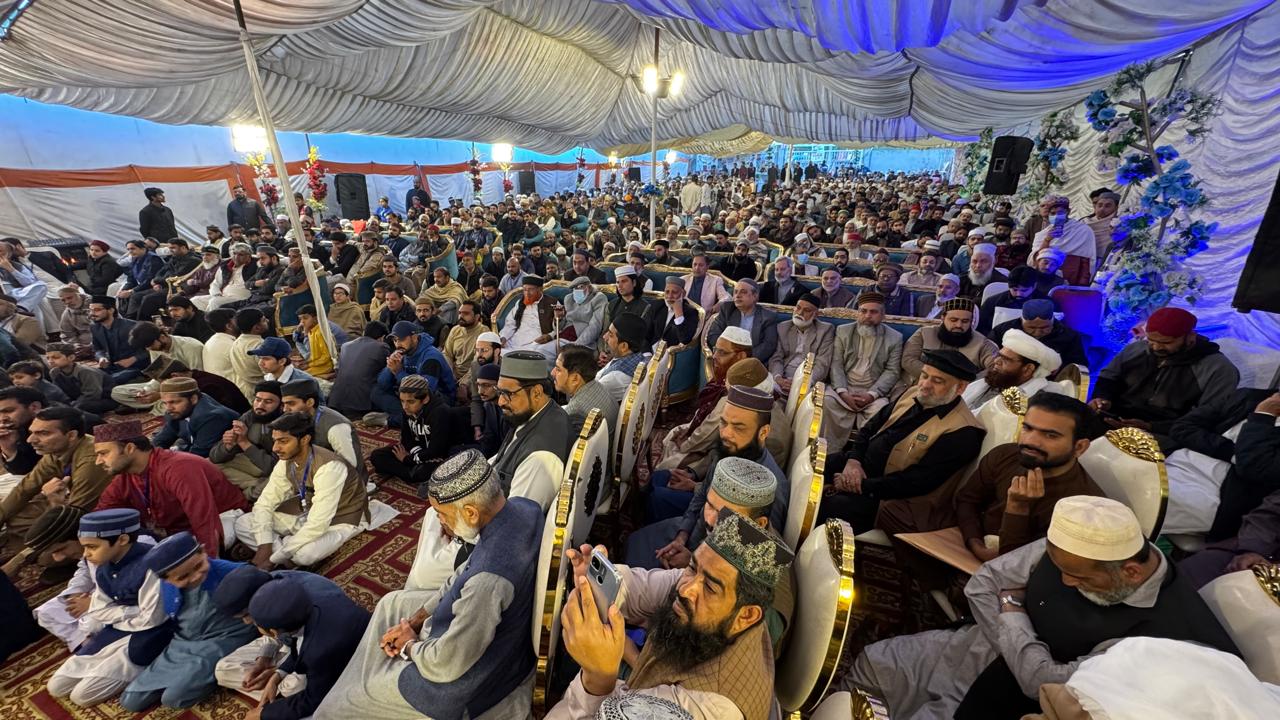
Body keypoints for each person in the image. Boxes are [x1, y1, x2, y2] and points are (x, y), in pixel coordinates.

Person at [841, 496, 1239, 720]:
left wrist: (1013, 608)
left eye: (1081, 579)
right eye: (1060, 569)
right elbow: (984, 584)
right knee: (873, 664)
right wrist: (1021, 641)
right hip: (978, 645)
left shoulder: (1158, 637)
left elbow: (1041, 682)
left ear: (1132, 572)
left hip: (1015, 699)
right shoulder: (1082, 546)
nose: (1065, 582)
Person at [315, 450, 544, 720]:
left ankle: (360, 691)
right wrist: (417, 619)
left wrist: (409, 646)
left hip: (467, 686)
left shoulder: (489, 580)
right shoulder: (523, 507)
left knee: (341, 705)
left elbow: (448, 664)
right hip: (489, 634)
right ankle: (370, 680)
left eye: (441, 514)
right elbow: (463, 572)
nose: (440, 521)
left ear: (470, 513)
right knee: (392, 603)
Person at [550, 511, 794, 719]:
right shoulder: (712, 591)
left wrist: (598, 677)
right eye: (692, 568)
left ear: (747, 616)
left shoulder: (714, 708)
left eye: (709, 587)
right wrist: (601, 583)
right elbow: (642, 588)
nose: (687, 589)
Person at [820, 349, 986, 534]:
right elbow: (869, 428)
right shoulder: (913, 393)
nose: (925, 385)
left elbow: (915, 482)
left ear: (961, 388)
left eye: (937, 381)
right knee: (814, 466)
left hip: (892, 499)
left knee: (830, 507)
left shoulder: (963, 431)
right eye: (924, 375)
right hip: (861, 468)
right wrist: (854, 462)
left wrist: (858, 485)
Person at [636, 385, 789, 559]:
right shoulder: (731, 451)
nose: (726, 434)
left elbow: (754, 557)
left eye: (738, 428)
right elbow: (701, 495)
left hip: (708, 565)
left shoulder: (772, 490)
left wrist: (693, 561)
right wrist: (682, 535)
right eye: (723, 423)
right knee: (634, 542)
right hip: (691, 532)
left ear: (763, 432)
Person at [118, 532, 259, 712]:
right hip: (183, 642)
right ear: (166, 579)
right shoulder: (165, 584)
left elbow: (265, 588)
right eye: (182, 577)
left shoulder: (233, 572)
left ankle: (209, 677)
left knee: (173, 698)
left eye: (198, 565)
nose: (194, 577)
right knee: (130, 701)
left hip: (224, 638)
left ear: (202, 551)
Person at [955, 393, 1102, 561]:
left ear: (1079, 447)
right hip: (965, 547)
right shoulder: (1005, 454)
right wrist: (975, 543)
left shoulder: (1084, 507)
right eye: (1027, 428)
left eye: (1050, 435)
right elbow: (967, 500)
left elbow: (1020, 563)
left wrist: (1018, 508)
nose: (1031, 441)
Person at [213, 570, 371, 720]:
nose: (247, 622)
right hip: (304, 640)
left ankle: (283, 699)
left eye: (247, 615)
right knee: (223, 668)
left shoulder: (309, 596)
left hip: (331, 653)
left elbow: (313, 694)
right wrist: (275, 672)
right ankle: (281, 692)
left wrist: (264, 714)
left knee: (295, 688)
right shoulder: (283, 592)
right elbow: (294, 641)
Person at [92, 419, 249, 555]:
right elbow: (101, 515)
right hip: (176, 532)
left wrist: (208, 563)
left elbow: (203, 518)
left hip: (224, 519)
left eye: (104, 453)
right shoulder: (126, 477)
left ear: (129, 448)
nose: (98, 461)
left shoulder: (178, 468)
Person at [235, 412, 370, 570]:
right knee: (243, 523)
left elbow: (318, 525)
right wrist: (264, 547)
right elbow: (265, 502)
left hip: (340, 520)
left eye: (283, 441)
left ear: (305, 440)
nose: (275, 448)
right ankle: (284, 554)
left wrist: (272, 559)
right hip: (307, 513)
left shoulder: (330, 467)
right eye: (275, 441)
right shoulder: (286, 460)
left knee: (304, 555)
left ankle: (283, 553)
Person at [1091, 307, 1239, 439]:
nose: (1155, 347)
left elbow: (1209, 416)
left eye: (1166, 343)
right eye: (1151, 340)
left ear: (1190, 337)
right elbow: (1109, 377)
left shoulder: (1218, 369)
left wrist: (1150, 427)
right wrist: (1102, 399)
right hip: (1114, 417)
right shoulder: (1137, 349)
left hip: (1167, 432)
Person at [0, 407, 111, 569]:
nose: (31, 440)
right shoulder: (56, 452)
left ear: (71, 435)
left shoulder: (91, 461)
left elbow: (74, 516)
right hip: (68, 504)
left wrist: (18, 561)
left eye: (43, 434)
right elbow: (24, 489)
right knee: (16, 516)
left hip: (93, 515)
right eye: (32, 432)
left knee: (48, 558)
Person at [823, 292, 903, 449]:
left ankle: (859, 455)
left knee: (881, 411)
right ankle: (828, 452)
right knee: (826, 402)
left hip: (873, 390)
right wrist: (843, 392)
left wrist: (871, 395)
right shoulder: (843, 331)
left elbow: (892, 371)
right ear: (857, 313)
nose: (867, 316)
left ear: (883, 315)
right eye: (863, 311)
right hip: (844, 387)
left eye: (874, 312)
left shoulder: (895, 338)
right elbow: (836, 364)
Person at [279, 378, 369, 489]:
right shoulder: (297, 418)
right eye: (284, 404)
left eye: (291, 404)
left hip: (340, 480)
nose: (285, 410)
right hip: (312, 470)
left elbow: (349, 464)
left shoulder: (335, 426)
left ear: (310, 402)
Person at [369, 375, 453, 489]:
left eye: (410, 402)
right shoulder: (408, 409)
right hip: (416, 453)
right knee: (377, 456)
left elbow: (436, 450)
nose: (405, 406)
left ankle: (410, 473)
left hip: (436, 456)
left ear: (425, 399)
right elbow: (406, 438)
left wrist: (407, 459)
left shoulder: (440, 412)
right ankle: (410, 472)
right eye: (402, 401)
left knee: (424, 472)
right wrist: (413, 454)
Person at [371, 321, 456, 426]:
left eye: (401, 339)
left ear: (414, 337)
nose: (397, 344)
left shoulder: (431, 356)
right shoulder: (403, 352)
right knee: (376, 391)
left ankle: (393, 420)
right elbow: (382, 383)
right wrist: (390, 368)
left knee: (423, 405)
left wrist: (398, 372)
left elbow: (425, 390)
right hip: (411, 397)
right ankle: (407, 416)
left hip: (437, 397)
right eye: (395, 340)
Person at [901, 297, 998, 386]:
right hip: (919, 385)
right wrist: (937, 377)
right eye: (953, 320)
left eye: (965, 321)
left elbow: (995, 366)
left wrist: (967, 382)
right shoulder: (924, 333)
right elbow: (908, 360)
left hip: (959, 391)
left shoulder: (981, 342)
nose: (959, 325)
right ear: (943, 318)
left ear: (971, 321)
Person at [210, 380, 283, 500]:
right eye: (258, 400)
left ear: (281, 406)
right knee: (207, 465)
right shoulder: (249, 416)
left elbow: (273, 467)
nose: (260, 406)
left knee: (271, 486)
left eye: (268, 402)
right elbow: (215, 457)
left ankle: (252, 491)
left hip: (273, 469)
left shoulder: (284, 425)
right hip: (253, 467)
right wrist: (228, 445)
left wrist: (244, 443)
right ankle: (255, 486)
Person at [962, 330, 1065, 408]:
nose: (996, 361)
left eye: (1005, 359)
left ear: (1028, 369)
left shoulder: (1033, 404)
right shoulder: (995, 379)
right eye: (999, 356)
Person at [151, 376, 239, 458]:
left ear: (193, 399)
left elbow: (199, 455)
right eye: (165, 403)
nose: (168, 408)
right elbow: (161, 440)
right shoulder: (176, 412)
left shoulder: (212, 417)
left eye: (174, 402)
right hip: (194, 447)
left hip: (226, 457)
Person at [989, 298, 1090, 369]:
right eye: (1031, 327)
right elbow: (989, 353)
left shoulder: (1069, 337)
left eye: (1045, 328)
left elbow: (1078, 365)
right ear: (1021, 320)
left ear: (1053, 321)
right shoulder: (1003, 330)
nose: (1038, 332)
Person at [768, 292, 834, 391]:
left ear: (815, 315)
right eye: (798, 308)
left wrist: (804, 382)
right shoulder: (783, 327)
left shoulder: (825, 330)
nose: (799, 313)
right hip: (783, 377)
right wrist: (778, 378)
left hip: (809, 380)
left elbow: (822, 363)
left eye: (806, 310)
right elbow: (776, 358)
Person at [705, 279, 779, 364]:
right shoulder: (727, 309)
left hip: (752, 363)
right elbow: (713, 334)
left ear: (755, 296)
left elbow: (768, 345)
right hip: (726, 360)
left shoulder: (768, 317)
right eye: (735, 292)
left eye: (743, 292)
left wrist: (743, 360)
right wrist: (728, 355)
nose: (738, 295)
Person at [556, 343, 619, 440]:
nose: (552, 373)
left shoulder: (575, 412)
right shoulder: (599, 386)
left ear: (575, 379)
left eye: (558, 369)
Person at [1030, 195, 1096, 286]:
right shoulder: (1041, 234)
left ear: (1068, 212)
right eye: (1053, 213)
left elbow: (1087, 262)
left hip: (1071, 279)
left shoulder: (1083, 230)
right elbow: (1035, 260)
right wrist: (1047, 240)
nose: (1056, 216)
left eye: (1060, 213)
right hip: (1043, 278)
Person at [328, 322, 391, 418]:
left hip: (336, 400)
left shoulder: (345, 346)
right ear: (382, 337)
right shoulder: (381, 347)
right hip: (361, 405)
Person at [498, 274, 559, 361]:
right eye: (525, 290)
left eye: (530, 290)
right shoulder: (520, 303)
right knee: (497, 351)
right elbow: (510, 323)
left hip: (537, 342)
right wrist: (504, 337)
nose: (527, 293)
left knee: (533, 355)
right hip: (516, 340)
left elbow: (560, 327)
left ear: (540, 289)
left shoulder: (552, 303)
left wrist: (550, 336)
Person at [90, 296, 149, 384]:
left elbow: (150, 349)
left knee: (108, 381)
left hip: (135, 366)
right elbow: (97, 349)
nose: (92, 313)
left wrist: (133, 359)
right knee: (89, 377)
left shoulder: (132, 326)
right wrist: (101, 358)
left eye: (97, 310)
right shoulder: (95, 327)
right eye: (91, 310)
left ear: (111, 310)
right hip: (112, 366)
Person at [47, 342, 116, 414]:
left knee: (81, 407)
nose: (50, 361)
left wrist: (72, 405)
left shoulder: (86, 372)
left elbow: (92, 395)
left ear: (71, 357)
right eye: (48, 358)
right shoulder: (54, 372)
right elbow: (59, 392)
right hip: (77, 400)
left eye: (55, 357)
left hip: (104, 399)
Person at [598, 314, 651, 403]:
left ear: (623, 346)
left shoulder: (614, 378)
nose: (604, 337)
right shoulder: (636, 356)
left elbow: (585, 400)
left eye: (610, 335)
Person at [976, 265, 1044, 335]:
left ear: (1034, 286)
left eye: (1024, 290)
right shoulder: (993, 302)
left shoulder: (1046, 304)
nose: (1018, 294)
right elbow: (981, 327)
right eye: (1015, 290)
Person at [291, 305, 344, 379]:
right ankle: (322, 375)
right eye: (300, 319)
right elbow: (297, 340)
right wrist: (309, 363)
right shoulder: (312, 330)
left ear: (315, 318)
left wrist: (309, 364)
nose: (302, 322)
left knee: (301, 376)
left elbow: (326, 357)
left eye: (305, 318)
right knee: (299, 373)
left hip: (329, 363)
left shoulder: (320, 331)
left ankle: (326, 375)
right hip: (318, 362)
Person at [250, 336, 321, 390]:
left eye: (266, 359)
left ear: (282, 361)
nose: (260, 363)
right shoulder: (268, 379)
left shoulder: (303, 382)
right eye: (260, 358)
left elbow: (319, 407)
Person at [648, 276, 700, 348]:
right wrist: (647, 353)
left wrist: (678, 313)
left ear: (683, 294)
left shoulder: (691, 312)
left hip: (670, 354)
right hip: (650, 350)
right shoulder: (657, 305)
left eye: (674, 292)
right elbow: (645, 333)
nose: (670, 296)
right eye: (667, 292)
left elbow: (685, 339)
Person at [230, 307, 269, 399]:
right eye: (263, 320)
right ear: (256, 327)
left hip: (250, 392)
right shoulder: (260, 346)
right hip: (267, 392)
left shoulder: (236, 342)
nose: (267, 320)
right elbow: (271, 374)